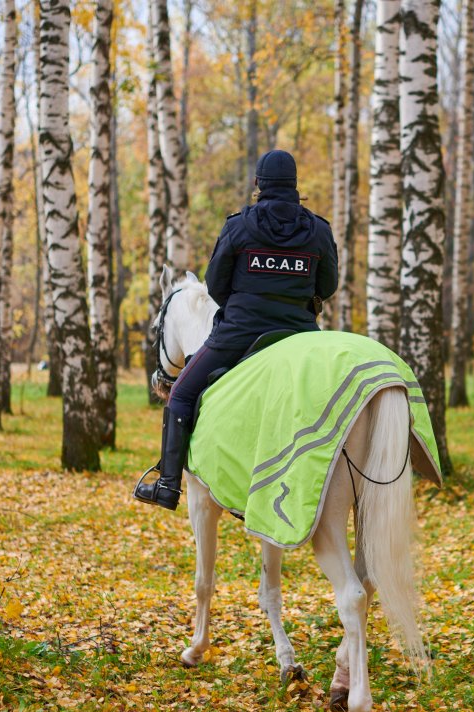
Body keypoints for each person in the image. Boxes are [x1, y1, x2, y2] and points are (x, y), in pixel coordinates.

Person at [135, 150, 339, 509]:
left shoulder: (238, 226)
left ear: (258, 184)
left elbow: (215, 284)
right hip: (301, 337)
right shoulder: (319, 230)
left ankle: (167, 485)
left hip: (239, 335)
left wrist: (244, 308)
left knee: (180, 394)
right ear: (294, 185)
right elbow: (328, 286)